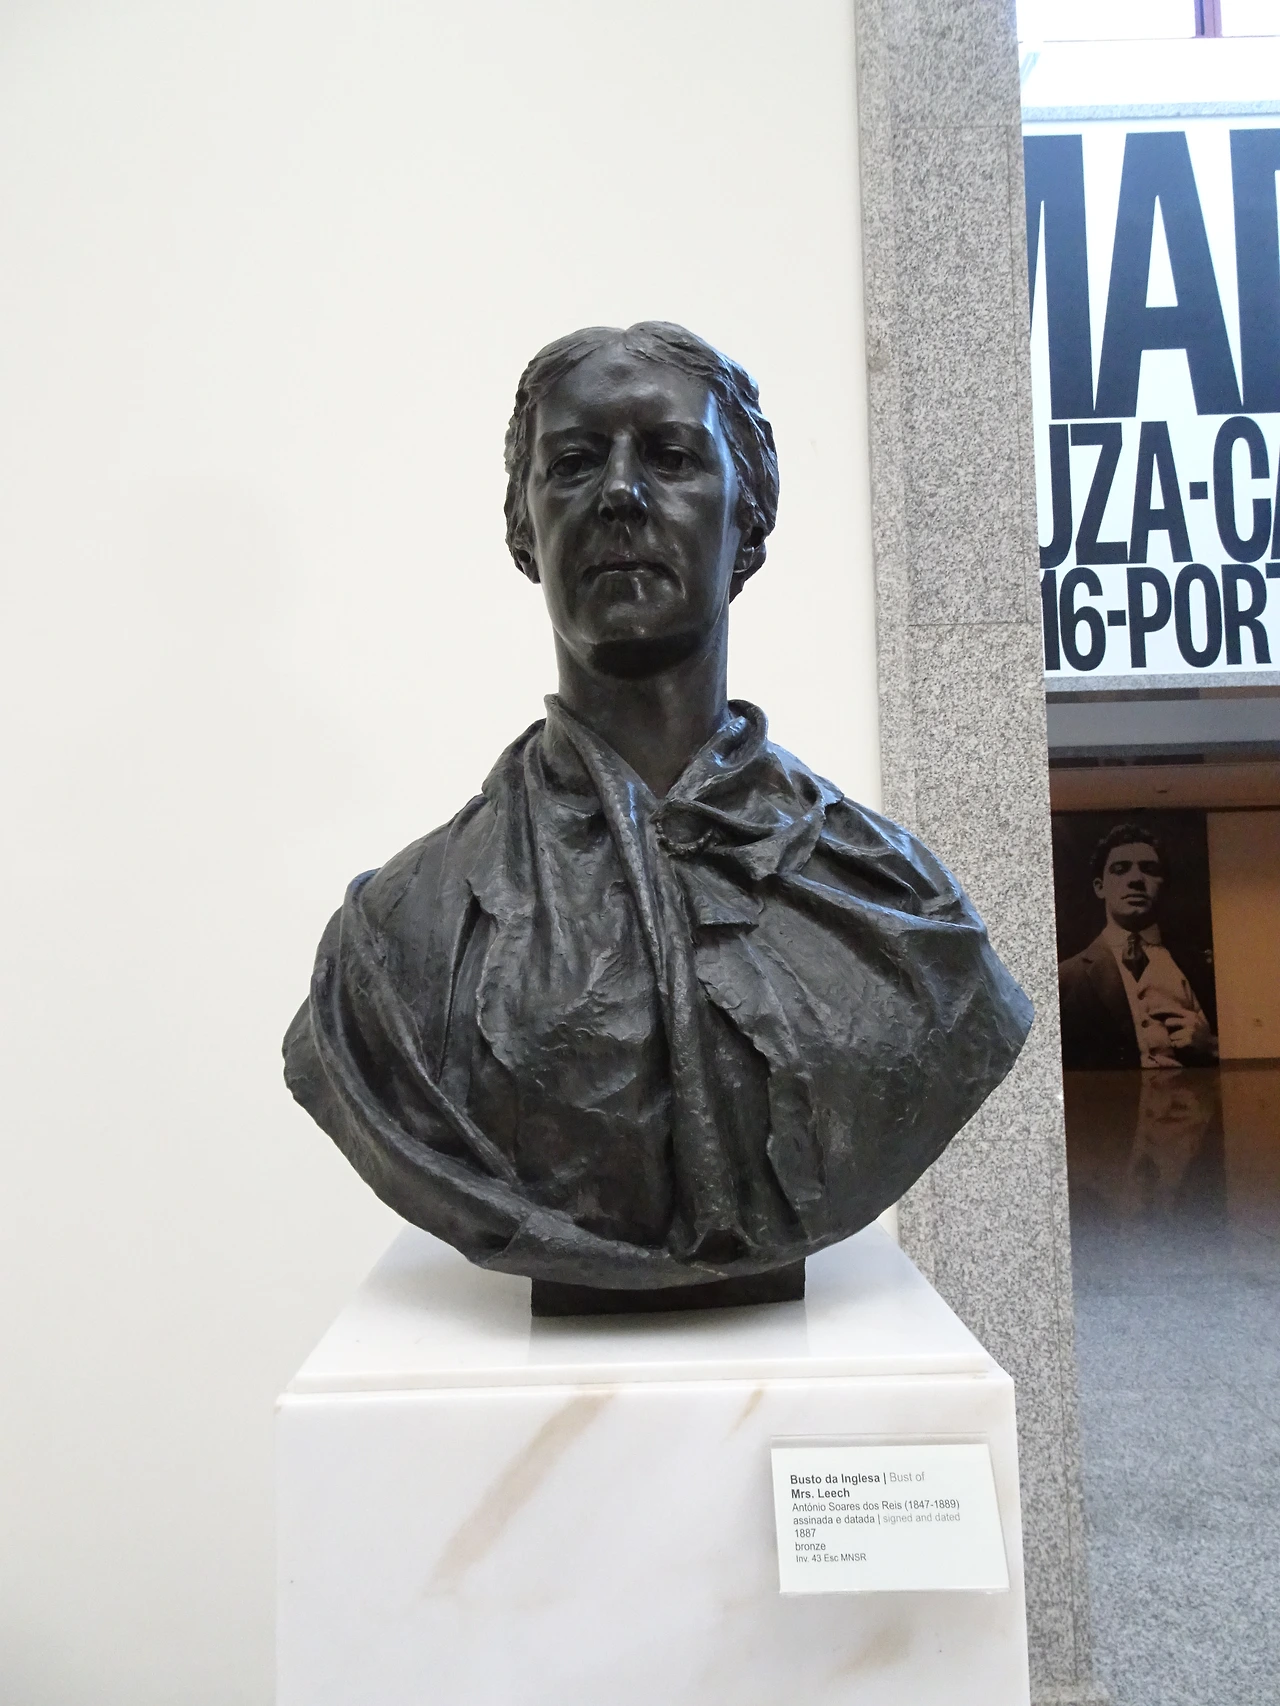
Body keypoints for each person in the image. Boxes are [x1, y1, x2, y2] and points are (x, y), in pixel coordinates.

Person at [283, 322, 1032, 1295]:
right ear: (523, 529)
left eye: (672, 458)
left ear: (748, 522)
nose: (620, 494)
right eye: (573, 464)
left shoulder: (903, 915)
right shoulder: (392, 945)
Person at [1057, 824, 1217, 1071]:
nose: (1135, 880)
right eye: (1120, 870)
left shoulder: (1203, 967)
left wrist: (1211, 1046)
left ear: (1164, 884)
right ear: (1100, 887)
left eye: (1149, 869)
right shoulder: (1066, 978)